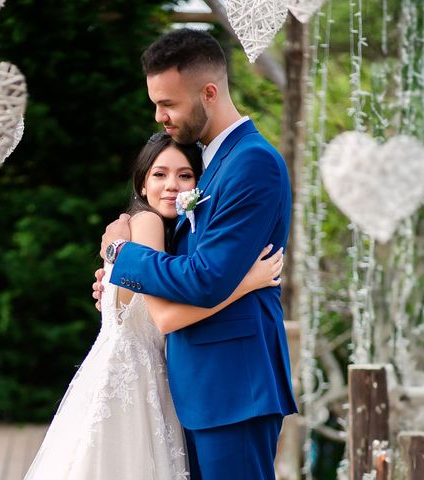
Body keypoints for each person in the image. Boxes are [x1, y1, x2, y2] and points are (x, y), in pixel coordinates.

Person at [97, 29, 298, 479]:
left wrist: (122, 258)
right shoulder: (213, 164)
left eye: (168, 103)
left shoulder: (253, 163)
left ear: (209, 92)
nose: (159, 115)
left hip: (234, 387)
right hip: (201, 388)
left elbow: (206, 277)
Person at [24, 132, 283, 479]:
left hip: (136, 377)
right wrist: (248, 282)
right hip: (133, 384)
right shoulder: (148, 224)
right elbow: (164, 318)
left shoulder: (158, 231)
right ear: (142, 185)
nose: (171, 185)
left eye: (185, 175)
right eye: (159, 175)